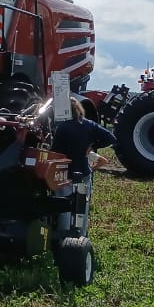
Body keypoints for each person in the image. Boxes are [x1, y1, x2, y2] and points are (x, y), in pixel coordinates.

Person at [50, 98, 116, 237]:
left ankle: (64, 235)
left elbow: (54, 150)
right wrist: (92, 146)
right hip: (84, 171)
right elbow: (110, 138)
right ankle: (82, 233)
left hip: (65, 171)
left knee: (64, 203)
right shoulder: (90, 125)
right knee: (83, 203)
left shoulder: (63, 127)